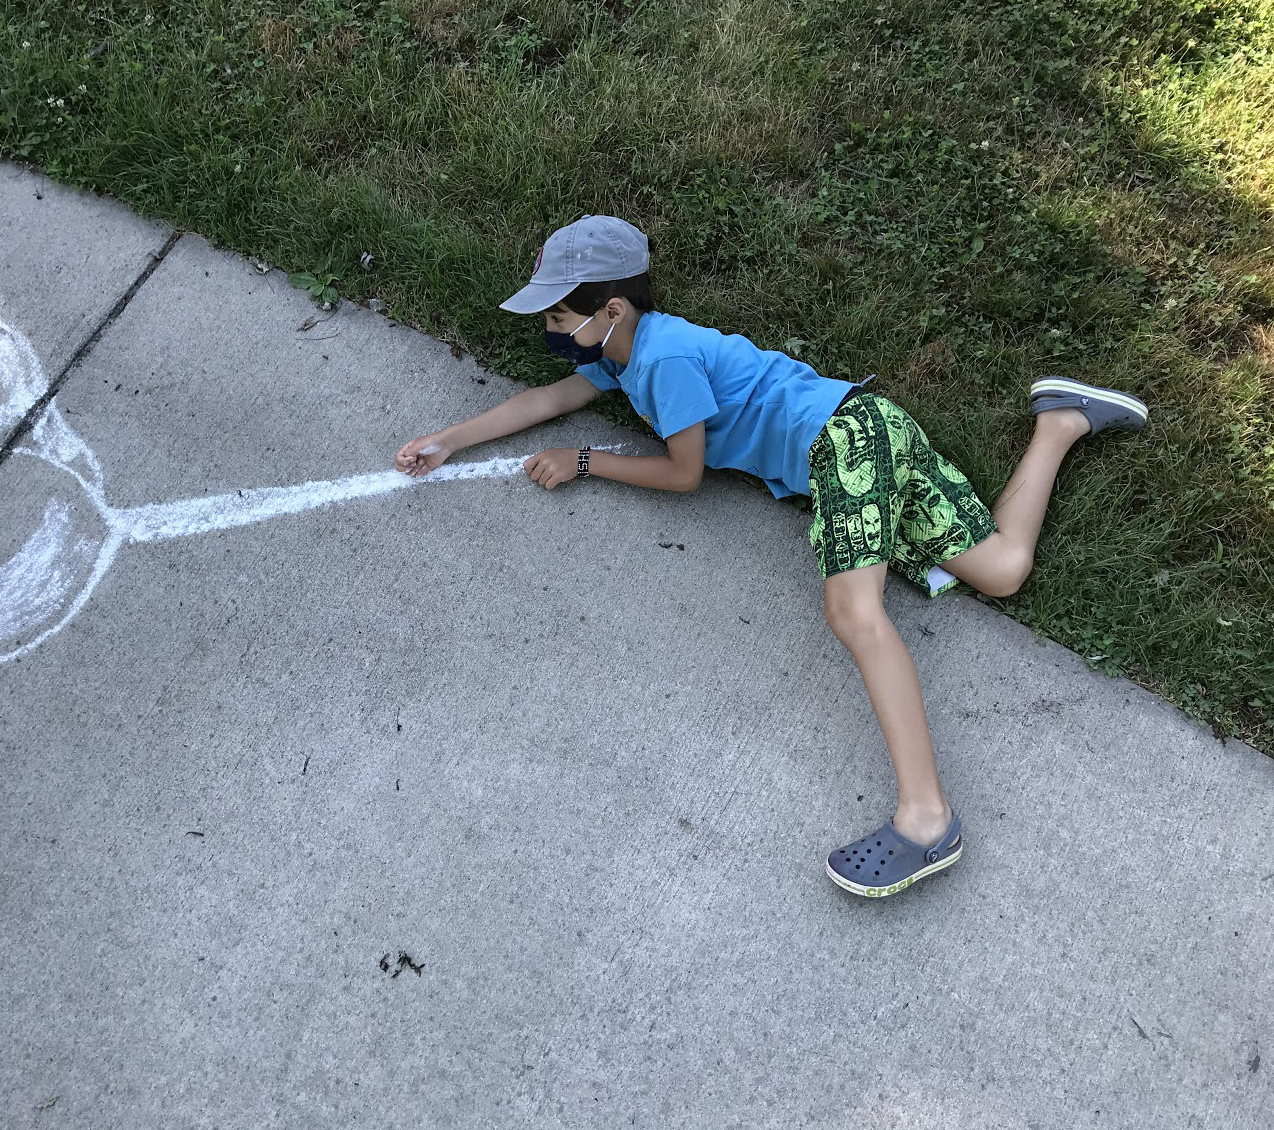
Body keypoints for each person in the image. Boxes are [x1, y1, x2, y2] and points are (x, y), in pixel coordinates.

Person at [394, 215, 1149, 898]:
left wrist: (585, 463)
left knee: (853, 614)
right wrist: (450, 438)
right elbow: (551, 398)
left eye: (560, 315)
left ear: (609, 310)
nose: (553, 329)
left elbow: (684, 474)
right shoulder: (623, 352)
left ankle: (927, 819)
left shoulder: (662, 364)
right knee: (1005, 569)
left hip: (843, 443)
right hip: (865, 428)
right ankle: (1062, 422)